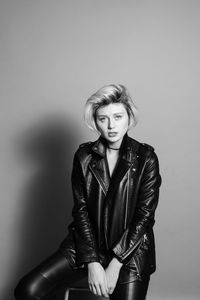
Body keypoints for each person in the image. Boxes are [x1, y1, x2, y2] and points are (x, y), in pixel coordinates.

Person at [14, 84, 161, 300]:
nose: (111, 125)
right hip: (85, 245)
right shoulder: (84, 156)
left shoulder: (146, 158)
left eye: (118, 117)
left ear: (129, 118)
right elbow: (80, 211)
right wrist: (92, 262)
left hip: (130, 253)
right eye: (103, 119)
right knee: (28, 289)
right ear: (95, 122)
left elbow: (144, 218)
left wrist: (115, 265)